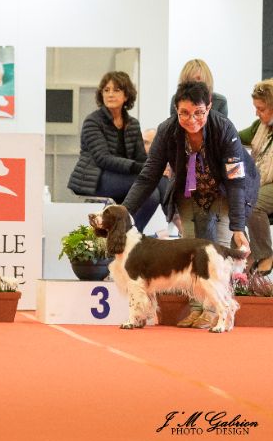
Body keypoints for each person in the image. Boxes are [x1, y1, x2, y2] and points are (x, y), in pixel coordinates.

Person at [124, 81, 257, 328]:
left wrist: (239, 227)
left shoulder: (225, 129)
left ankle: (215, 311)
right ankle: (198, 308)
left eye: (198, 112)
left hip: (226, 191)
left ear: (208, 108)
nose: (191, 119)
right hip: (189, 192)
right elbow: (148, 176)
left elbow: (236, 181)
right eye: (184, 113)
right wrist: (125, 210)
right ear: (176, 109)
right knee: (190, 250)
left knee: (215, 250)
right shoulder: (167, 131)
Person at [67, 71, 160, 231]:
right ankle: (125, 238)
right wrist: (139, 168)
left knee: (162, 183)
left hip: (120, 177)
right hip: (95, 177)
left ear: (126, 95)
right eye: (106, 90)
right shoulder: (93, 121)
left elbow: (141, 157)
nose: (110, 94)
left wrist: (156, 170)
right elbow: (103, 158)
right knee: (149, 190)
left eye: (116, 90)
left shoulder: (132, 123)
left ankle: (131, 235)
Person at [238, 78, 273, 276]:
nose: (256, 113)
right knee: (236, 198)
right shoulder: (258, 127)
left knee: (254, 202)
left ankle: (265, 255)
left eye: (261, 109)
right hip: (264, 182)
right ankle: (249, 253)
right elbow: (234, 137)